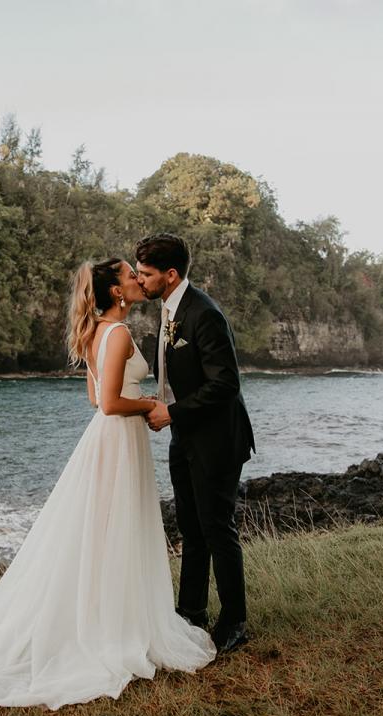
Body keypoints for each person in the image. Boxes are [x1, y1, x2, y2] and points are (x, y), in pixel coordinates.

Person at [0, 257, 215, 709]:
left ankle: (106, 617)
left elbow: (94, 394)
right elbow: (110, 406)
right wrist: (149, 406)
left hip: (108, 443)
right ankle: (112, 629)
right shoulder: (117, 334)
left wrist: (136, 404)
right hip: (117, 439)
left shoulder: (97, 331)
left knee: (103, 532)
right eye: (129, 276)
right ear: (116, 291)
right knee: (116, 530)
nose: (138, 281)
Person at [135, 233, 256, 655]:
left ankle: (235, 621)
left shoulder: (203, 313)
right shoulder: (169, 311)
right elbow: (179, 375)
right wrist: (162, 402)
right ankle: (190, 612)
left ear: (170, 275)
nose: (140, 280)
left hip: (217, 439)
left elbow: (226, 383)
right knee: (190, 527)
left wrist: (173, 411)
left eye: (146, 274)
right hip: (185, 437)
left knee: (217, 527)